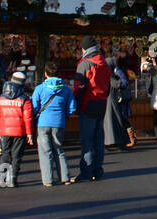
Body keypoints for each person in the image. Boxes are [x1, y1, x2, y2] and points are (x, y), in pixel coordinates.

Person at [31, 64, 76, 186]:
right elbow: (72, 107)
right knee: (59, 150)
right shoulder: (66, 89)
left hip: (43, 122)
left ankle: (48, 180)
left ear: (46, 74)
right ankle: (65, 177)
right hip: (59, 123)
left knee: (45, 152)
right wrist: (64, 115)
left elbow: (34, 107)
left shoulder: (40, 88)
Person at [73, 40, 110, 180]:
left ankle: (87, 172)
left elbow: (79, 87)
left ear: (85, 49)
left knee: (87, 141)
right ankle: (97, 171)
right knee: (98, 139)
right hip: (101, 103)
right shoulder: (104, 63)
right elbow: (108, 85)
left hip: (88, 103)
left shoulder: (85, 63)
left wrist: (76, 105)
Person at [0, 72, 35, 187]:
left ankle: (2, 179)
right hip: (19, 132)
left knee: (5, 154)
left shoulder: (1, 98)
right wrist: (29, 133)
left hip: (5, 131)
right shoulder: (24, 99)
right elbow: (28, 118)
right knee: (16, 156)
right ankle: (12, 179)